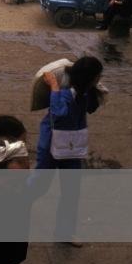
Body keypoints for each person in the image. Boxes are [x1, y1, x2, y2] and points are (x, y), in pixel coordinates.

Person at [35, 56, 104, 243]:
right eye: (97, 77)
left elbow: (92, 108)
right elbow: (58, 113)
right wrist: (54, 87)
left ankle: (64, 231)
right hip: (51, 145)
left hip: (72, 147)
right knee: (38, 186)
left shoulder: (85, 94)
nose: (99, 79)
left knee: (71, 191)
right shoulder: (65, 93)